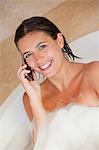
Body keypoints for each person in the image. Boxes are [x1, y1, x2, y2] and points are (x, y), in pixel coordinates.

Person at [14, 16, 99, 149]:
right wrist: (35, 100)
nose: (38, 59)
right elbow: (41, 146)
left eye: (42, 46)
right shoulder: (30, 98)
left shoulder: (94, 73)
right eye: (28, 55)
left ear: (59, 41)